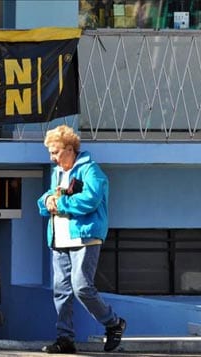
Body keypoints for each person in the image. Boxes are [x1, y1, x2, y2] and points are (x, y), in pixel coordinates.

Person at [37, 125, 126, 354]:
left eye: (55, 152)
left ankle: (113, 323)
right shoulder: (57, 173)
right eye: (50, 153)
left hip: (84, 237)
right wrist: (47, 201)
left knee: (82, 286)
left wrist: (60, 204)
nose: (52, 157)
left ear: (69, 148)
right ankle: (64, 339)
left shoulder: (91, 171)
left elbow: (91, 200)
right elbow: (46, 199)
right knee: (61, 290)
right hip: (59, 238)